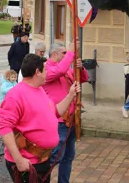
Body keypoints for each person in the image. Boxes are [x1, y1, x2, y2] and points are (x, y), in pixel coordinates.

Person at [0, 54, 80, 183]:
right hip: (27, 163)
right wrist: (19, 160)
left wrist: (70, 95)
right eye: (45, 69)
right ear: (37, 72)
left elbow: (55, 112)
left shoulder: (40, 89)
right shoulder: (15, 95)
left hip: (42, 160)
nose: (47, 72)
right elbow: (4, 128)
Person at [42, 42, 88, 183]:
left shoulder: (65, 69)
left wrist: (81, 68)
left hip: (71, 119)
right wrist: (72, 53)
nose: (67, 55)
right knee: (55, 156)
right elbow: (60, 71)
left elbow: (83, 78)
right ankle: (40, 178)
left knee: (68, 157)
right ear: (55, 54)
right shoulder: (46, 69)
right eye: (64, 53)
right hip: (58, 121)